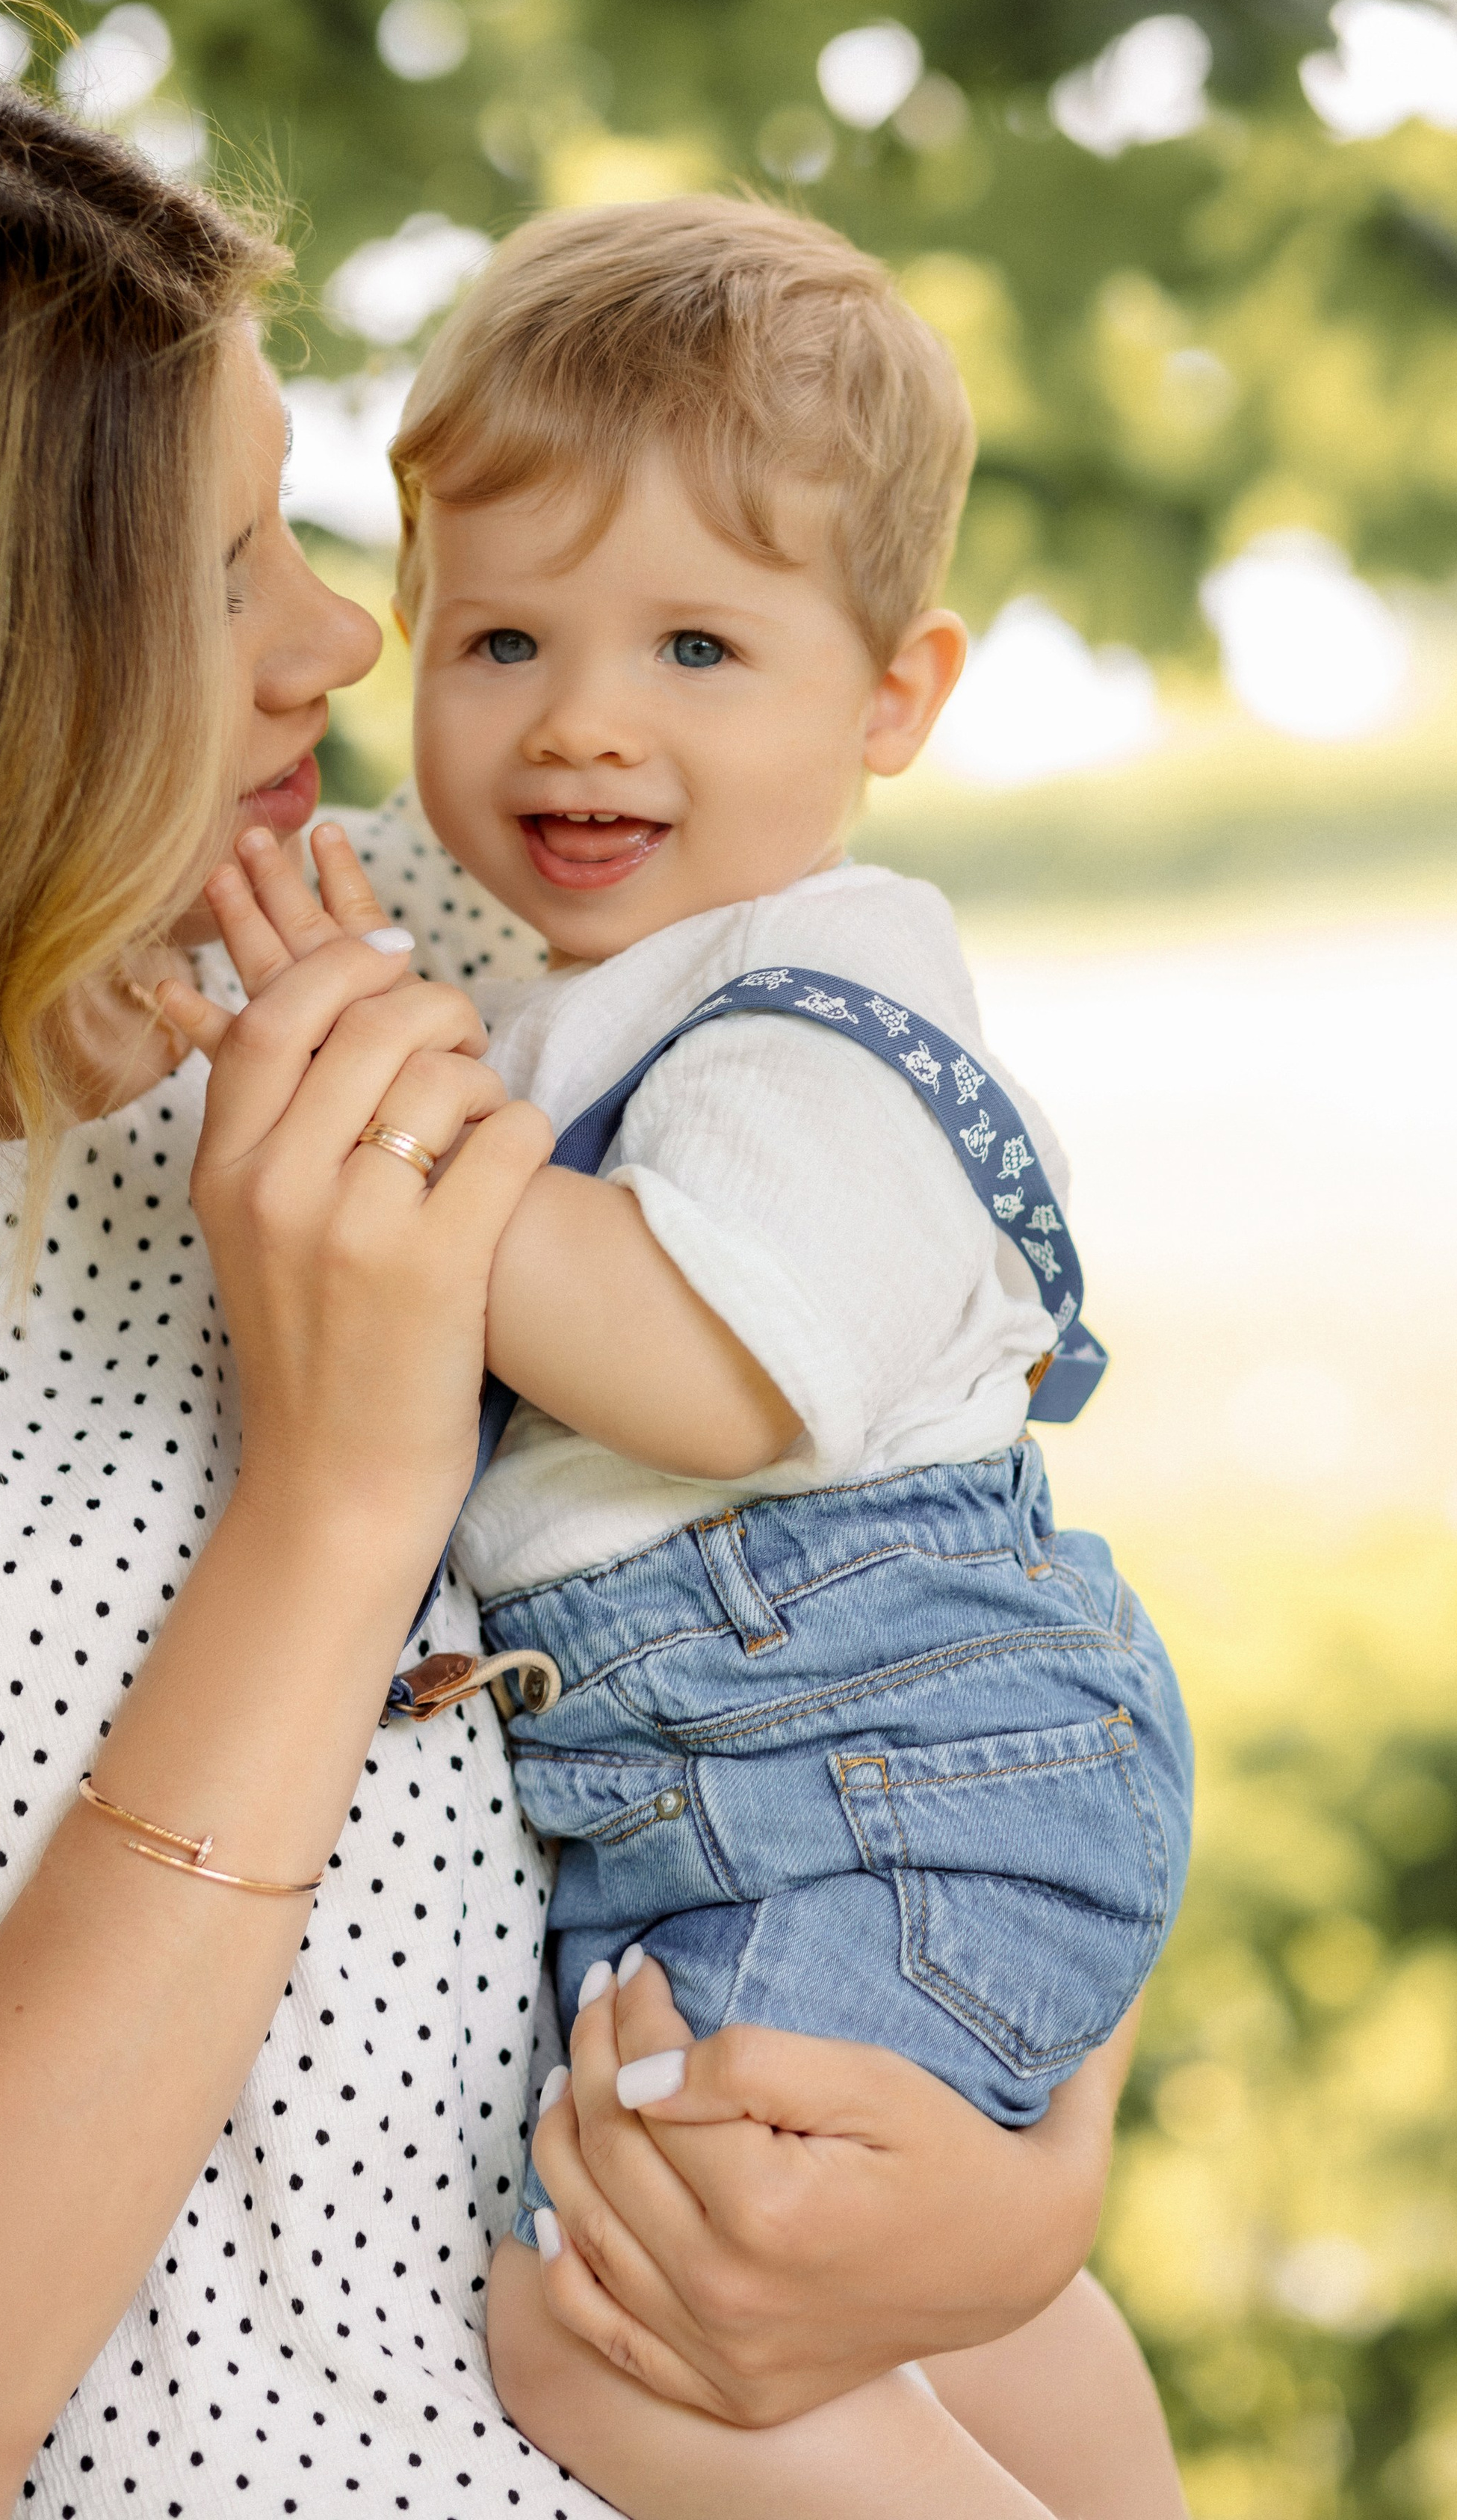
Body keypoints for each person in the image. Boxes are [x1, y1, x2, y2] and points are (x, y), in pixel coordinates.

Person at [0, 73, 1136, 2520]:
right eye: (214, 571)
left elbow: (925, 1557)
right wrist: (346, 1489)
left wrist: (1020, 2182)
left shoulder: (412, 973)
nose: (349, 635)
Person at [181, 198, 1192, 2518]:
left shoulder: (817, 1014)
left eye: (701, 648)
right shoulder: (565, 975)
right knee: (936, 2291)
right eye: (504, 634)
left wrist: (386, 1094)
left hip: (881, 1777)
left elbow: (702, 1368)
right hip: (783, 1788)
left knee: (619, 2328)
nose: (584, 720)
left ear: (895, 699)